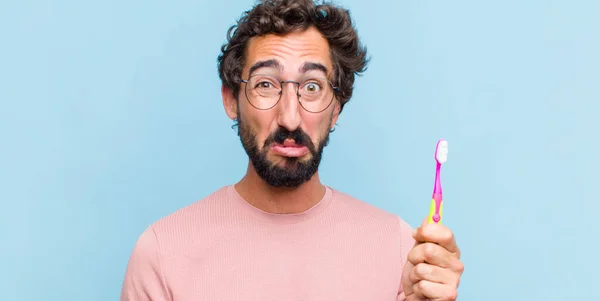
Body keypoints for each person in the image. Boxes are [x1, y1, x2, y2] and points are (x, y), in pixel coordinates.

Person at [120, 0, 464, 300]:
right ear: (231, 100)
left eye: (311, 87)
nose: (289, 117)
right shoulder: (162, 253)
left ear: (336, 109)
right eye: (265, 84)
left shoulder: (400, 249)